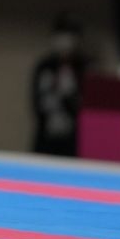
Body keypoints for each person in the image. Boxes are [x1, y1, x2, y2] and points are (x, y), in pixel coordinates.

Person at [31, 14, 87, 157]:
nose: (65, 41)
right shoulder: (44, 66)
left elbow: (83, 104)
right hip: (45, 139)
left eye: (69, 35)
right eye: (61, 34)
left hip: (71, 141)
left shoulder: (82, 68)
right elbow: (36, 102)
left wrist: (69, 98)